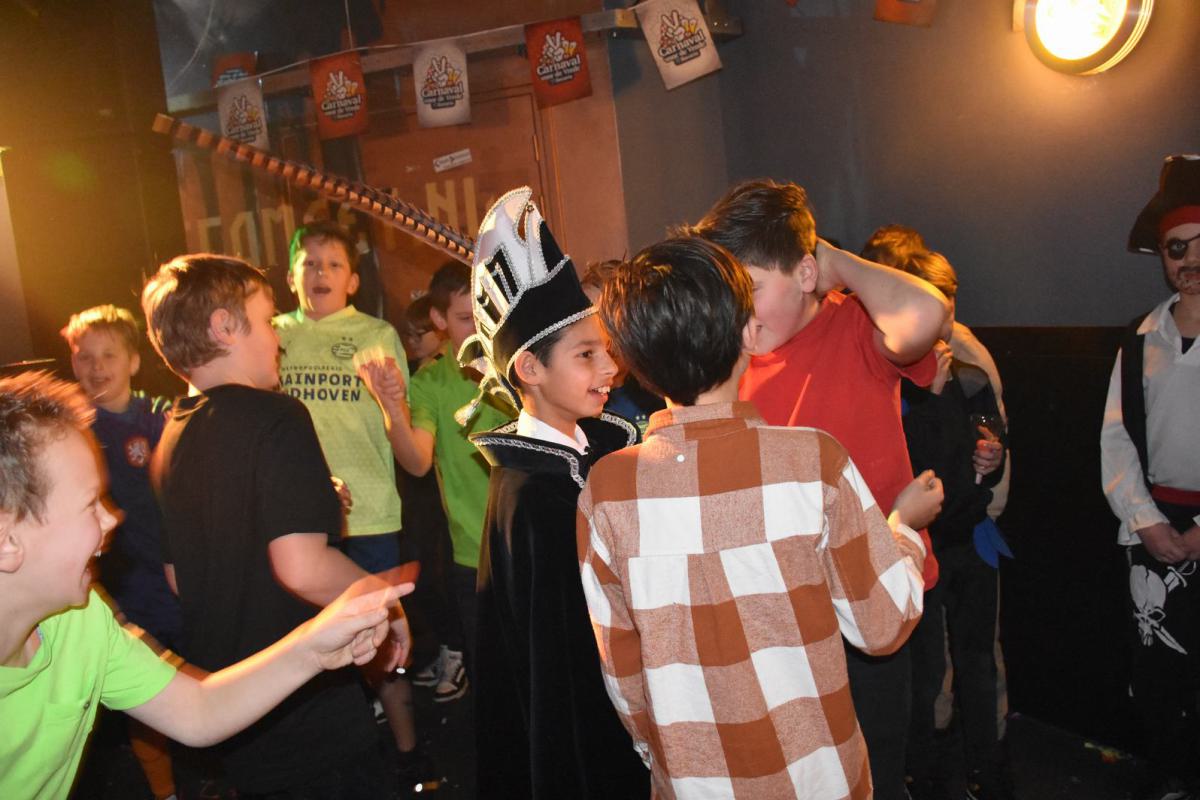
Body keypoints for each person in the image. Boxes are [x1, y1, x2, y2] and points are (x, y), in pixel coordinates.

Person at [579, 235, 938, 799]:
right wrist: (904, 533)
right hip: (819, 778)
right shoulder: (812, 461)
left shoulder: (607, 491)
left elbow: (621, 666)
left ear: (636, 363)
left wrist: (660, 755)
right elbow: (883, 626)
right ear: (749, 333)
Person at [0, 371, 406, 800]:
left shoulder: (80, 620)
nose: (112, 518)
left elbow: (196, 710)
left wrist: (314, 648)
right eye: (90, 504)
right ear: (7, 541)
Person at [691, 179, 952, 799]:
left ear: (806, 273)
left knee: (876, 768)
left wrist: (834, 262)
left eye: (752, 288)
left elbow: (925, 315)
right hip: (783, 609)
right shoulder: (733, 356)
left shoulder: (853, 324)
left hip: (875, 596)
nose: (741, 312)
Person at [141, 253, 412, 798]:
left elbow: (179, 577)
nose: (278, 338)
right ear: (224, 326)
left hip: (236, 706)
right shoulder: (278, 415)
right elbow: (301, 567)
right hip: (307, 712)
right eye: (266, 321)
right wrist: (384, 602)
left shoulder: (170, 438)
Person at [456, 188, 649, 798]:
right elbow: (559, 677)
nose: (609, 368)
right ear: (529, 370)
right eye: (586, 355)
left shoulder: (599, 453)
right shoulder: (534, 496)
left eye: (606, 350)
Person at [272, 221, 430, 775]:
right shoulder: (270, 336)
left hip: (369, 517)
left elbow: (410, 452)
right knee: (305, 649)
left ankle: (409, 758)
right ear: (291, 275)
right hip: (296, 526)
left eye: (333, 264)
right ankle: (325, 764)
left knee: (382, 644)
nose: (320, 273)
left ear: (353, 280)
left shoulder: (375, 335)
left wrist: (391, 404)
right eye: (310, 263)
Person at [887, 251, 1008, 800]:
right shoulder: (896, 384)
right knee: (925, 672)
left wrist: (992, 457)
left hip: (971, 542)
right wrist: (930, 396)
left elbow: (990, 440)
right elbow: (909, 465)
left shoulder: (972, 375)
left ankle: (986, 769)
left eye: (950, 301)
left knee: (978, 664)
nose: (944, 315)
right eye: (933, 303)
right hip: (920, 545)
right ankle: (921, 774)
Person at [1100, 154, 1200, 800]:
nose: (1190, 259)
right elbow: (1116, 437)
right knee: (1161, 667)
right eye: (1176, 248)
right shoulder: (1141, 339)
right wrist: (1147, 522)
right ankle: (1172, 777)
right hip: (1156, 530)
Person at [374, 260, 514, 696]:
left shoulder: (519, 365)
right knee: (491, 682)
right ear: (438, 320)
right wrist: (392, 409)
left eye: (486, 315)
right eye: (465, 318)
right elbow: (417, 461)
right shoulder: (431, 382)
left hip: (531, 546)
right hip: (473, 558)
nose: (479, 328)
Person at [61, 304, 182, 800]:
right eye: (84, 356)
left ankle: (219, 773)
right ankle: (165, 791)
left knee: (197, 675)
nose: (96, 367)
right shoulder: (70, 432)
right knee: (146, 694)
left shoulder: (161, 417)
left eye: (108, 355)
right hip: (123, 586)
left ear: (133, 361)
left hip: (176, 575)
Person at [580, 259, 666, 435]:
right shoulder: (574, 397)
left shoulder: (660, 391)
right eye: (582, 318)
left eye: (603, 318)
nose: (595, 330)